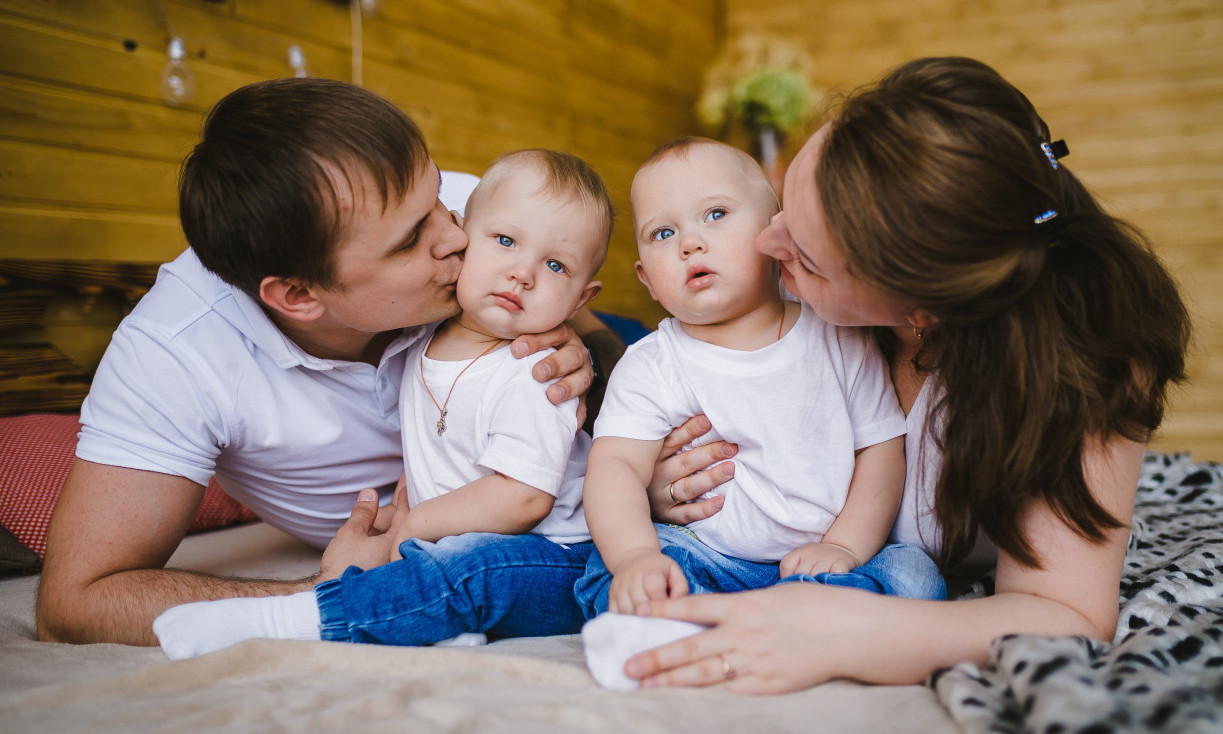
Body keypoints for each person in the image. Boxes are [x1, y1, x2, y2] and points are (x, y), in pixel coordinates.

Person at [617, 57, 1191, 694]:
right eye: (784, 207)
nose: (764, 242)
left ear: (920, 314)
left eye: (803, 257)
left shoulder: (1092, 367)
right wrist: (656, 485)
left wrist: (847, 633)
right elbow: (663, 374)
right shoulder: (774, 300)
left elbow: (1069, 612)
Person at [35, 78, 613, 647]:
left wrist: (588, 371)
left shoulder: (475, 216)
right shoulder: (176, 354)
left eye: (439, 195)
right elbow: (74, 603)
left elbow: (602, 342)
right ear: (299, 297)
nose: (457, 238)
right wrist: (334, 589)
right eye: (413, 240)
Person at [151, 148, 614, 659]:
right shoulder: (420, 338)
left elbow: (525, 498)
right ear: (465, 237)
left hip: (561, 553)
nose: (522, 273)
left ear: (579, 300)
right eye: (504, 242)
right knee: (447, 572)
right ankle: (428, 618)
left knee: (473, 575)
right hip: (455, 542)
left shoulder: (535, 372)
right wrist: (404, 511)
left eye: (554, 265)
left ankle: (298, 618)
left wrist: (414, 523)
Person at [574, 138, 944, 628]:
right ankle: (756, 620)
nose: (689, 242)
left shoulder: (838, 337)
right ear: (646, 279)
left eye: (716, 214)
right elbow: (615, 466)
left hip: (827, 565)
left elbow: (879, 452)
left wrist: (843, 547)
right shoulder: (651, 364)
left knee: (916, 576)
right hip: (712, 557)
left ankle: (757, 621)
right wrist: (636, 557)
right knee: (609, 572)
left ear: (774, 234)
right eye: (663, 232)